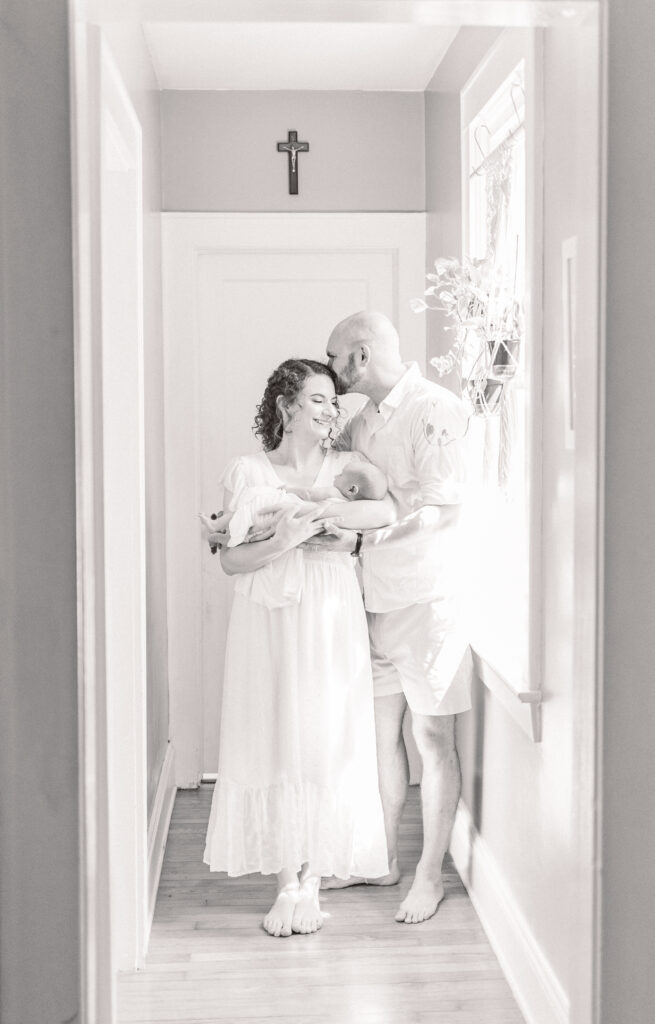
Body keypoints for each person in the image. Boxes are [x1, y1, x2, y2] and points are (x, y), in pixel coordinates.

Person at [202, 358, 395, 938]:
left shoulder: (349, 469)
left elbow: (386, 509)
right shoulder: (246, 470)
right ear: (286, 407)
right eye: (317, 398)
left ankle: (312, 879)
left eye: (334, 400)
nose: (331, 408)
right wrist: (283, 539)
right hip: (266, 617)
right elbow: (230, 560)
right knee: (274, 733)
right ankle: (287, 881)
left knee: (324, 736)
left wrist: (335, 523)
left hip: (329, 615)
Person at [317, 310, 473, 926]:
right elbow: (342, 490)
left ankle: (430, 876)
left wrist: (364, 543)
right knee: (379, 739)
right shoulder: (361, 421)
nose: (331, 370)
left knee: (433, 740)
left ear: (359, 355)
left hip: (428, 602)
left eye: (333, 358)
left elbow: (442, 512)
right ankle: (381, 860)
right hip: (371, 603)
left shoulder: (436, 409)